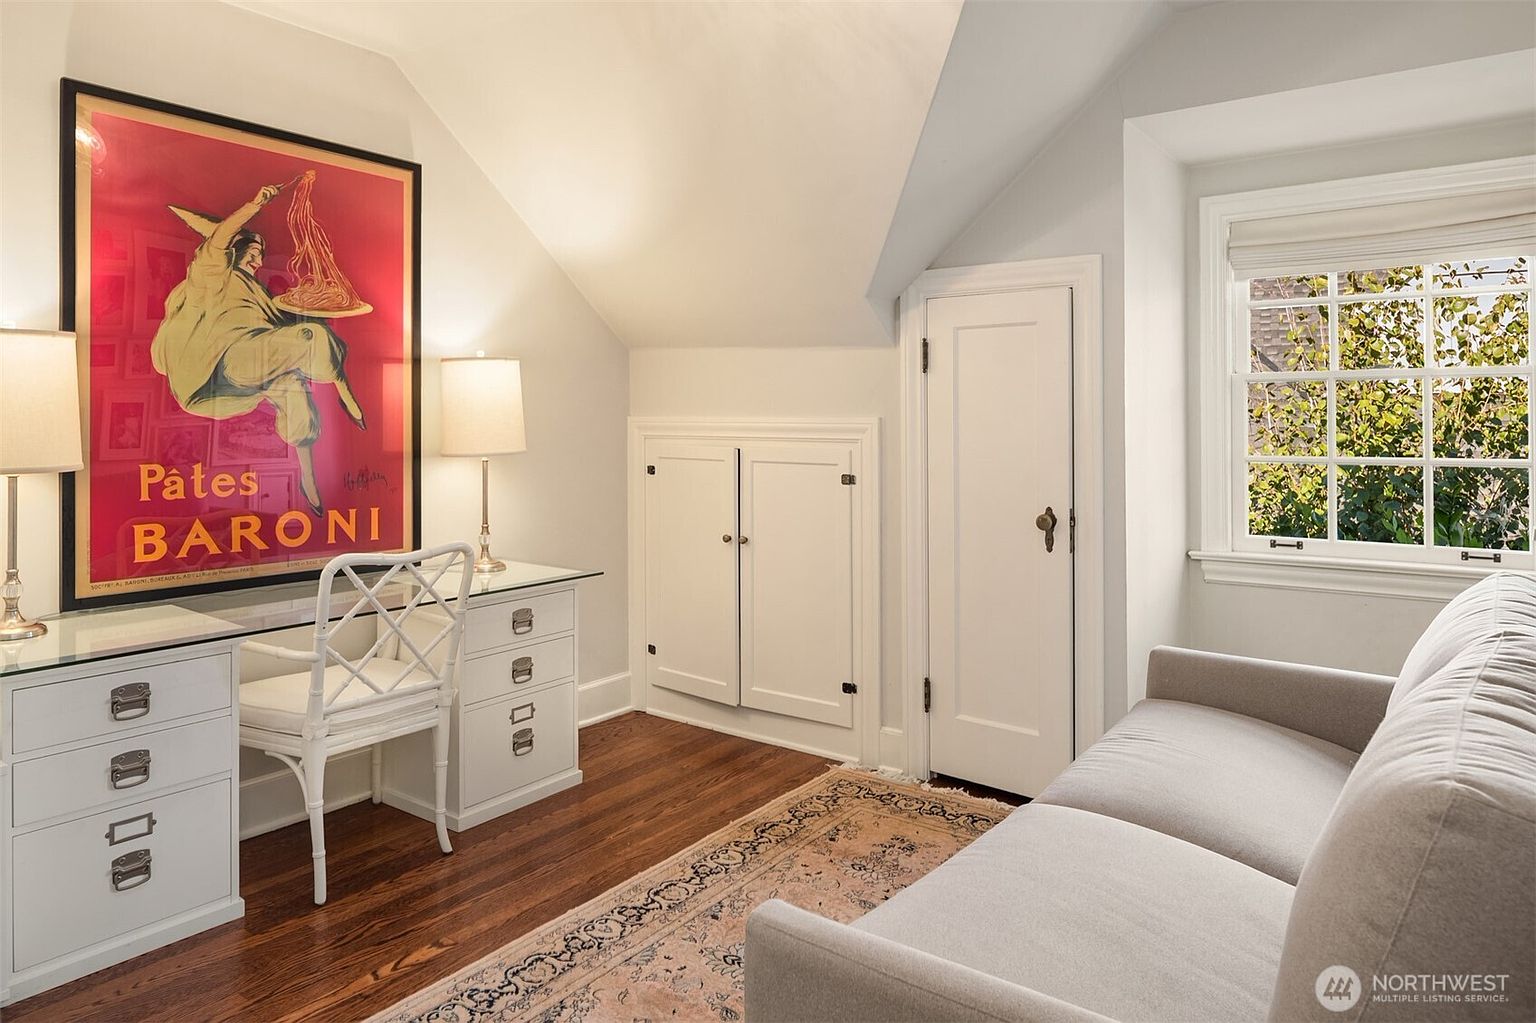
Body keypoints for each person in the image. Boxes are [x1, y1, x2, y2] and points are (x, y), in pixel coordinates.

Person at [151, 181, 365, 515]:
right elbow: (219, 238)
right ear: (233, 254)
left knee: (295, 387)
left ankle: (309, 479)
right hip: (223, 364)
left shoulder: (260, 295)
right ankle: (344, 392)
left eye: (260, 256)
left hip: (240, 379)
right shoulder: (211, 275)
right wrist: (254, 204)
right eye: (251, 253)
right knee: (310, 337)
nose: (257, 260)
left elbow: (279, 331)